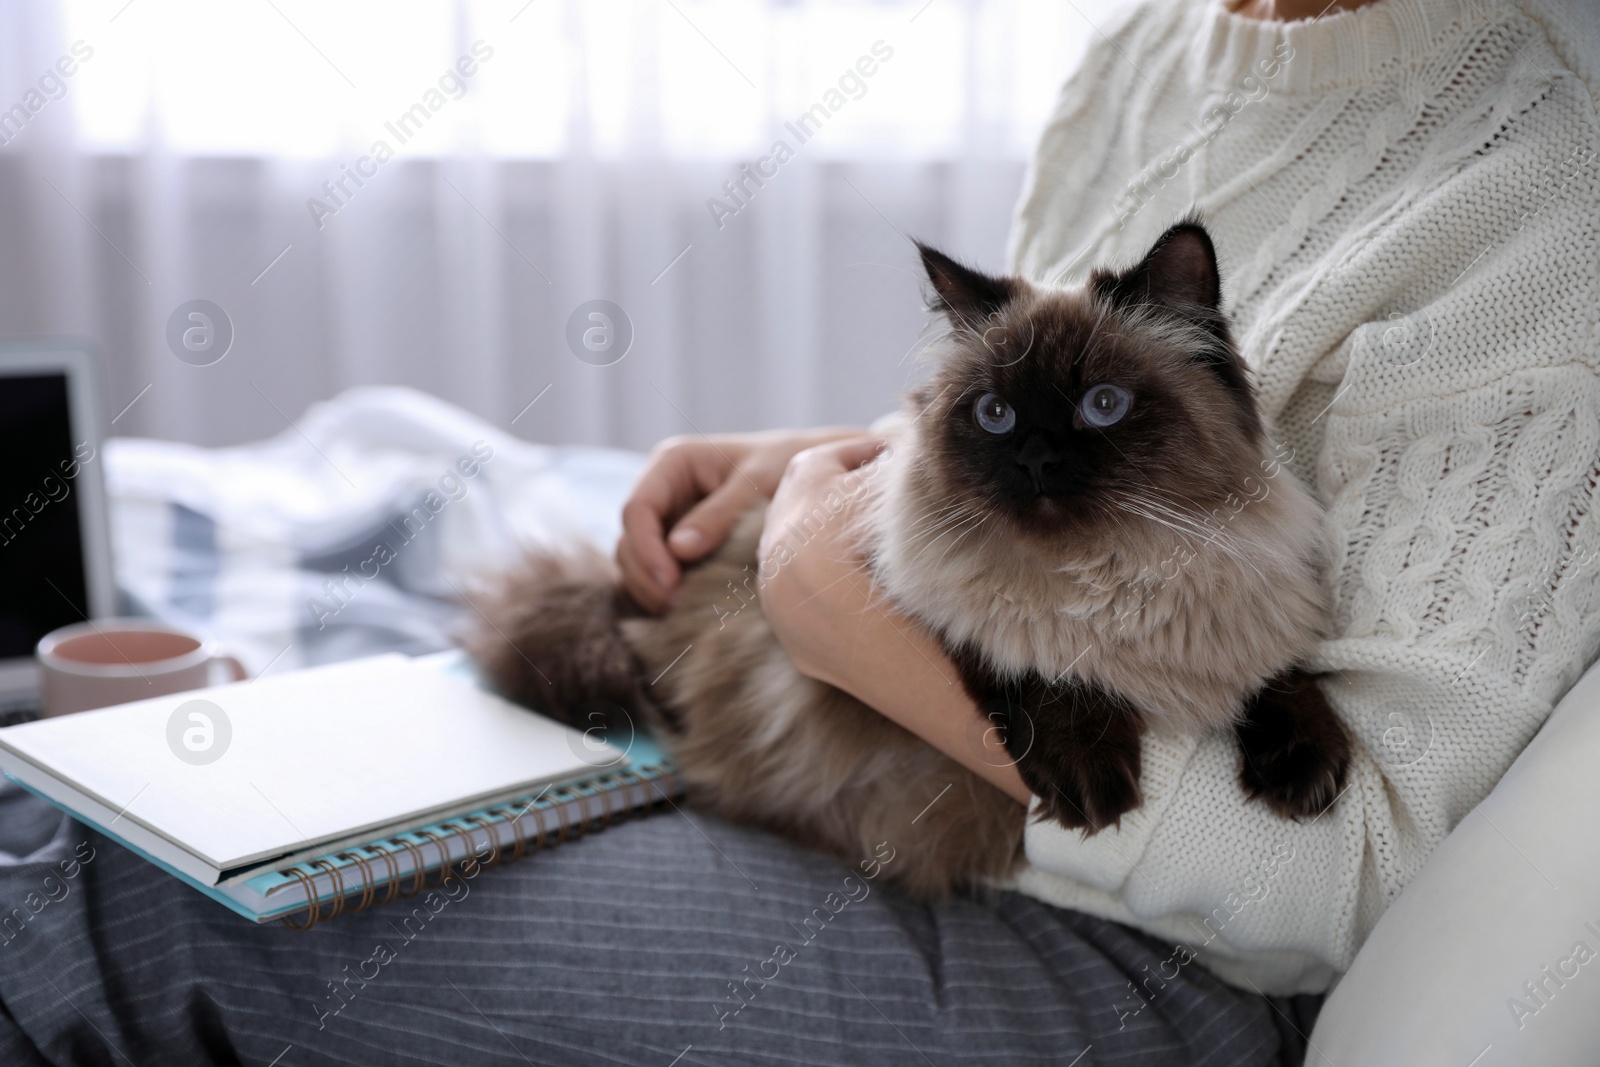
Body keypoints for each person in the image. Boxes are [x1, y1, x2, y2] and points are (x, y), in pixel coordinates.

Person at [1, 0, 1593, 1064]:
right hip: (897, 754)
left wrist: (861, 629)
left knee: (103, 891)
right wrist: (845, 464)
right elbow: (1045, 403)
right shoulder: (1156, 41)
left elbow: (1362, 874)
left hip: (1146, 955)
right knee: (190, 790)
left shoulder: (1540, 193)